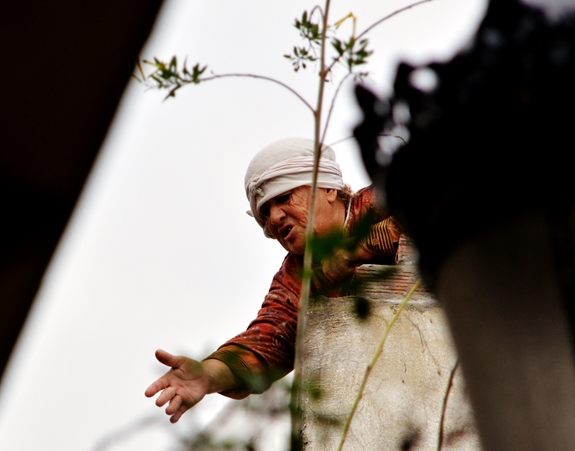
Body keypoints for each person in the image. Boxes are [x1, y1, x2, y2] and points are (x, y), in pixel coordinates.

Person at [145, 138, 401, 422]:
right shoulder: (296, 276)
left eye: (284, 198)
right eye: (264, 212)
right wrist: (207, 375)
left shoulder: (386, 198)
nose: (274, 218)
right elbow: (267, 342)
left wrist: (355, 249)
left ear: (328, 188)